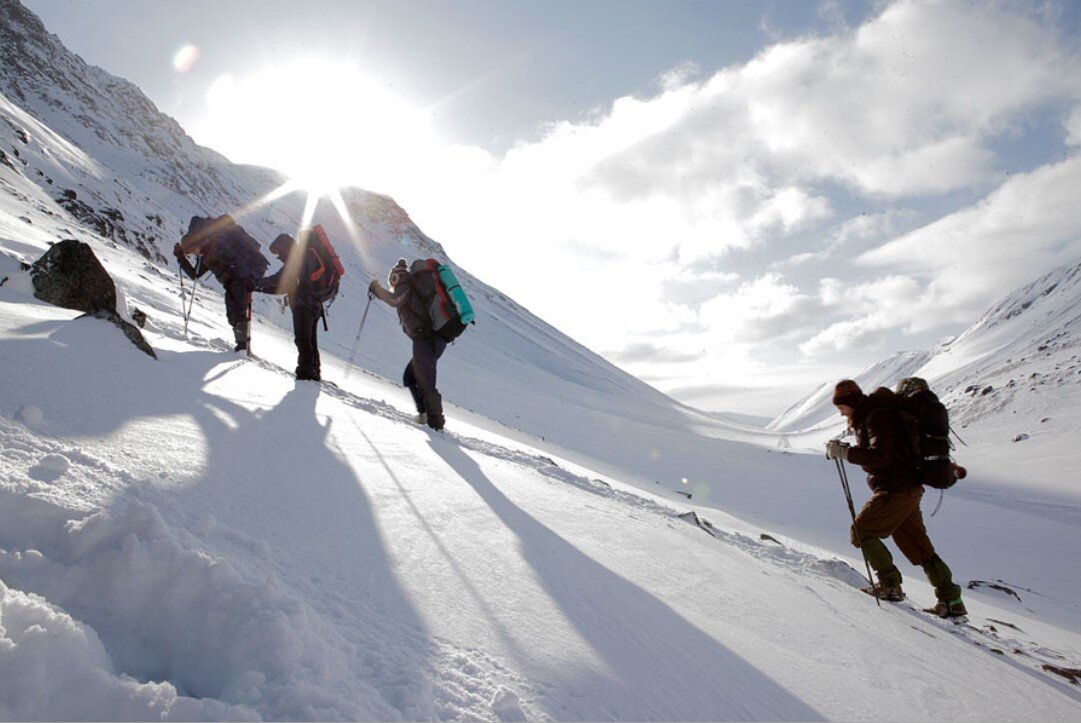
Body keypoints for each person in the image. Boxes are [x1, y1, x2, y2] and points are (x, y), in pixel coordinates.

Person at [825, 379, 967, 618]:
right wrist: (848, 448)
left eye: (841, 408)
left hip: (896, 490)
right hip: (907, 488)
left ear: (850, 403)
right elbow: (886, 450)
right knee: (919, 547)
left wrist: (845, 452)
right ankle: (951, 599)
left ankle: (890, 586)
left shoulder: (877, 416)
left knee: (862, 531)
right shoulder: (875, 415)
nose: (840, 413)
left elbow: (882, 456)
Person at [369, 259, 447, 431]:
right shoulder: (413, 285)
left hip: (426, 339)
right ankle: (424, 415)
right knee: (410, 377)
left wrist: (376, 289)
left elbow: (396, 300)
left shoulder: (404, 284)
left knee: (425, 381)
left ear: (395, 276)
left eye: (392, 279)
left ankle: (436, 423)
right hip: (432, 339)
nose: (392, 282)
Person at [173, 215, 267, 352]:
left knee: (239, 311)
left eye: (192, 250)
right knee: (232, 315)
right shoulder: (206, 252)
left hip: (244, 276)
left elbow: (240, 260)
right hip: (234, 280)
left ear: (197, 243)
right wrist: (181, 258)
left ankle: (242, 347)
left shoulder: (217, 244)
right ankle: (242, 345)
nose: (193, 254)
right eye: (190, 253)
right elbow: (195, 274)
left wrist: (246, 280)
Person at [255, 233, 324, 381]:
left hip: (303, 305)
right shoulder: (304, 260)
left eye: (279, 252)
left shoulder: (295, 260)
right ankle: (315, 372)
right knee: (311, 340)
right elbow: (283, 287)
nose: (279, 256)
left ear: (285, 248)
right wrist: (259, 288)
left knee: (303, 339)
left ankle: (305, 373)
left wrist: (256, 283)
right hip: (315, 304)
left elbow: (277, 280)